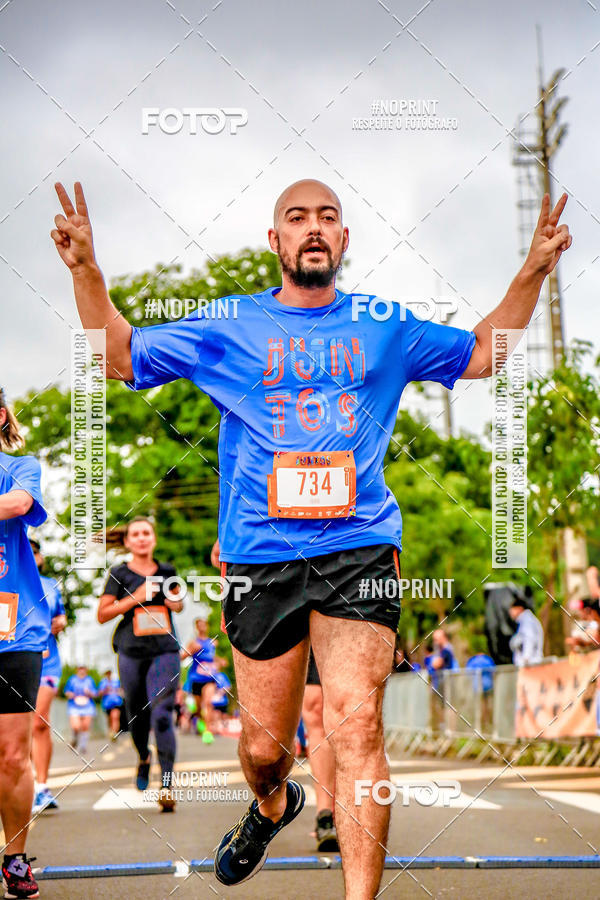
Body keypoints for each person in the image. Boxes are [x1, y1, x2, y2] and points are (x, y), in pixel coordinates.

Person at [52, 177, 572, 898]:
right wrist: (87, 273)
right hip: (260, 557)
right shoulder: (231, 323)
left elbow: (486, 352)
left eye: (328, 216)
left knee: (357, 730)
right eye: (297, 218)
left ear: (345, 239)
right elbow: (121, 356)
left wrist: (534, 271)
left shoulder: (383, 326)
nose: (314, 227)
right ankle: (272, 803)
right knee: (265, 750)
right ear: (276, 241)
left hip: (359, 546)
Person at [0, 387, 50, 899]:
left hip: (14, 630)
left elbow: (20, 503)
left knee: (13, 754)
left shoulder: (20, 466)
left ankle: (14, 857)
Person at [97, 516, 183, 812]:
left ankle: (168, 783)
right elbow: (103, 613)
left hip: (165, 650)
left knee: (162, 713)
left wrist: (175, 600)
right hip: (131, 651)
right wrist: (136, 597)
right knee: (137, 715)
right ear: (129, 541)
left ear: (154, 538)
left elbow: (178, 602)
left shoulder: (167, 570)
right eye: (136, 534)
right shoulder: (119, 573)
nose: (142, 538)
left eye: (147, 532)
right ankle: (144, 758)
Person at [29, 540, 67, 814]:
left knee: (38, 720)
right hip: (11, 661)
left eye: (34, 551)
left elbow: (60, 617)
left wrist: (60, 623)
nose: (30, 556)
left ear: (40, 557)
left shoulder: (51, 585)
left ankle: (41, 788)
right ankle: (21, 781)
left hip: (46, 662)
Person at [302, 649, 339, 852]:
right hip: (303, 622)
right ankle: (326, 815)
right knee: (316, 707)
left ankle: (347, 810)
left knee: (357, 713)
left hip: (352, 624)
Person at [182, 618, 219, 743]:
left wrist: (219, 662)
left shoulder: (213, 643)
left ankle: (207, 732)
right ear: (196, 627)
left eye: (204, 624)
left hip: (209, 678)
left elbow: (213, 659)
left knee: (208, 703)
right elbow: (182, 657)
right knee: (198, 708)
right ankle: (199, 720)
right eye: (200, 625)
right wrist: (191, 652)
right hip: (196, 678)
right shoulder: (193, 643)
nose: (203, 627)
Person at [64, 665, 97, 754]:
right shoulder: (72, 680)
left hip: (88, 706)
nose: (82, 671)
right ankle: (75, 738)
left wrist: (89, 693)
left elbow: (95, 693)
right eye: (80, 670)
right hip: (74, 705)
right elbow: (66, 691)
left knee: (85, 726)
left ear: (86, 671)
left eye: (83, 670)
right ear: (77, 670)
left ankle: (83, 746)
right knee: (76, 726)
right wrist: (70, 694)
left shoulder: (90, 680)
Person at [508, 598, 544, 667]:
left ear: (520, 608)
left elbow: (529, 638)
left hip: (530, 664)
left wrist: (526, 658)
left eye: (512, 609)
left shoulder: (526, 620)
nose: (510, 612)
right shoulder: (527, 619)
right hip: (532, 662)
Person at [97, 669, 124, 740]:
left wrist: (119, 692)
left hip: (116, 702)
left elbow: (121, 691)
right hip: (107, 704)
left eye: (109, 673)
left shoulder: (116, 681)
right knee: (110, 719)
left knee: (115, 717)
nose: (108, 674)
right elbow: (99, 693)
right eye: (107, 673)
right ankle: (111, 731)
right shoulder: (103, 682)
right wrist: (105, 690)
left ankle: (114, 733)